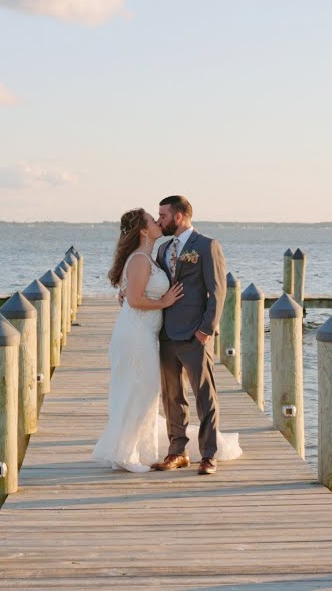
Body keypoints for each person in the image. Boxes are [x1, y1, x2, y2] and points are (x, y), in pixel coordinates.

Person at [90, 208, 184, 472]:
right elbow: (134, 300)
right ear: (143, 231)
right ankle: (126, 451)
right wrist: (165, 302)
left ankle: (138, 448)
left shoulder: (146, 258)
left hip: (143, 333)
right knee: (139, 390)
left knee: (141, 390)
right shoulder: (141, 259)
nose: (157, 222)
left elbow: (131, 294)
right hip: (136, 335)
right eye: (152, 221)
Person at [150, 195, 237, 475]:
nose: (159, 220)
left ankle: (208, 455)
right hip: (166, 333)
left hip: (194, 334)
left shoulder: (207, 246)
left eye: (163, 215)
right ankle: (177, 452)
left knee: (204, 396)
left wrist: (205, 330)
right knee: (172, 396)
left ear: (179, 216)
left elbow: (218, 291)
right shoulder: (164, 249)